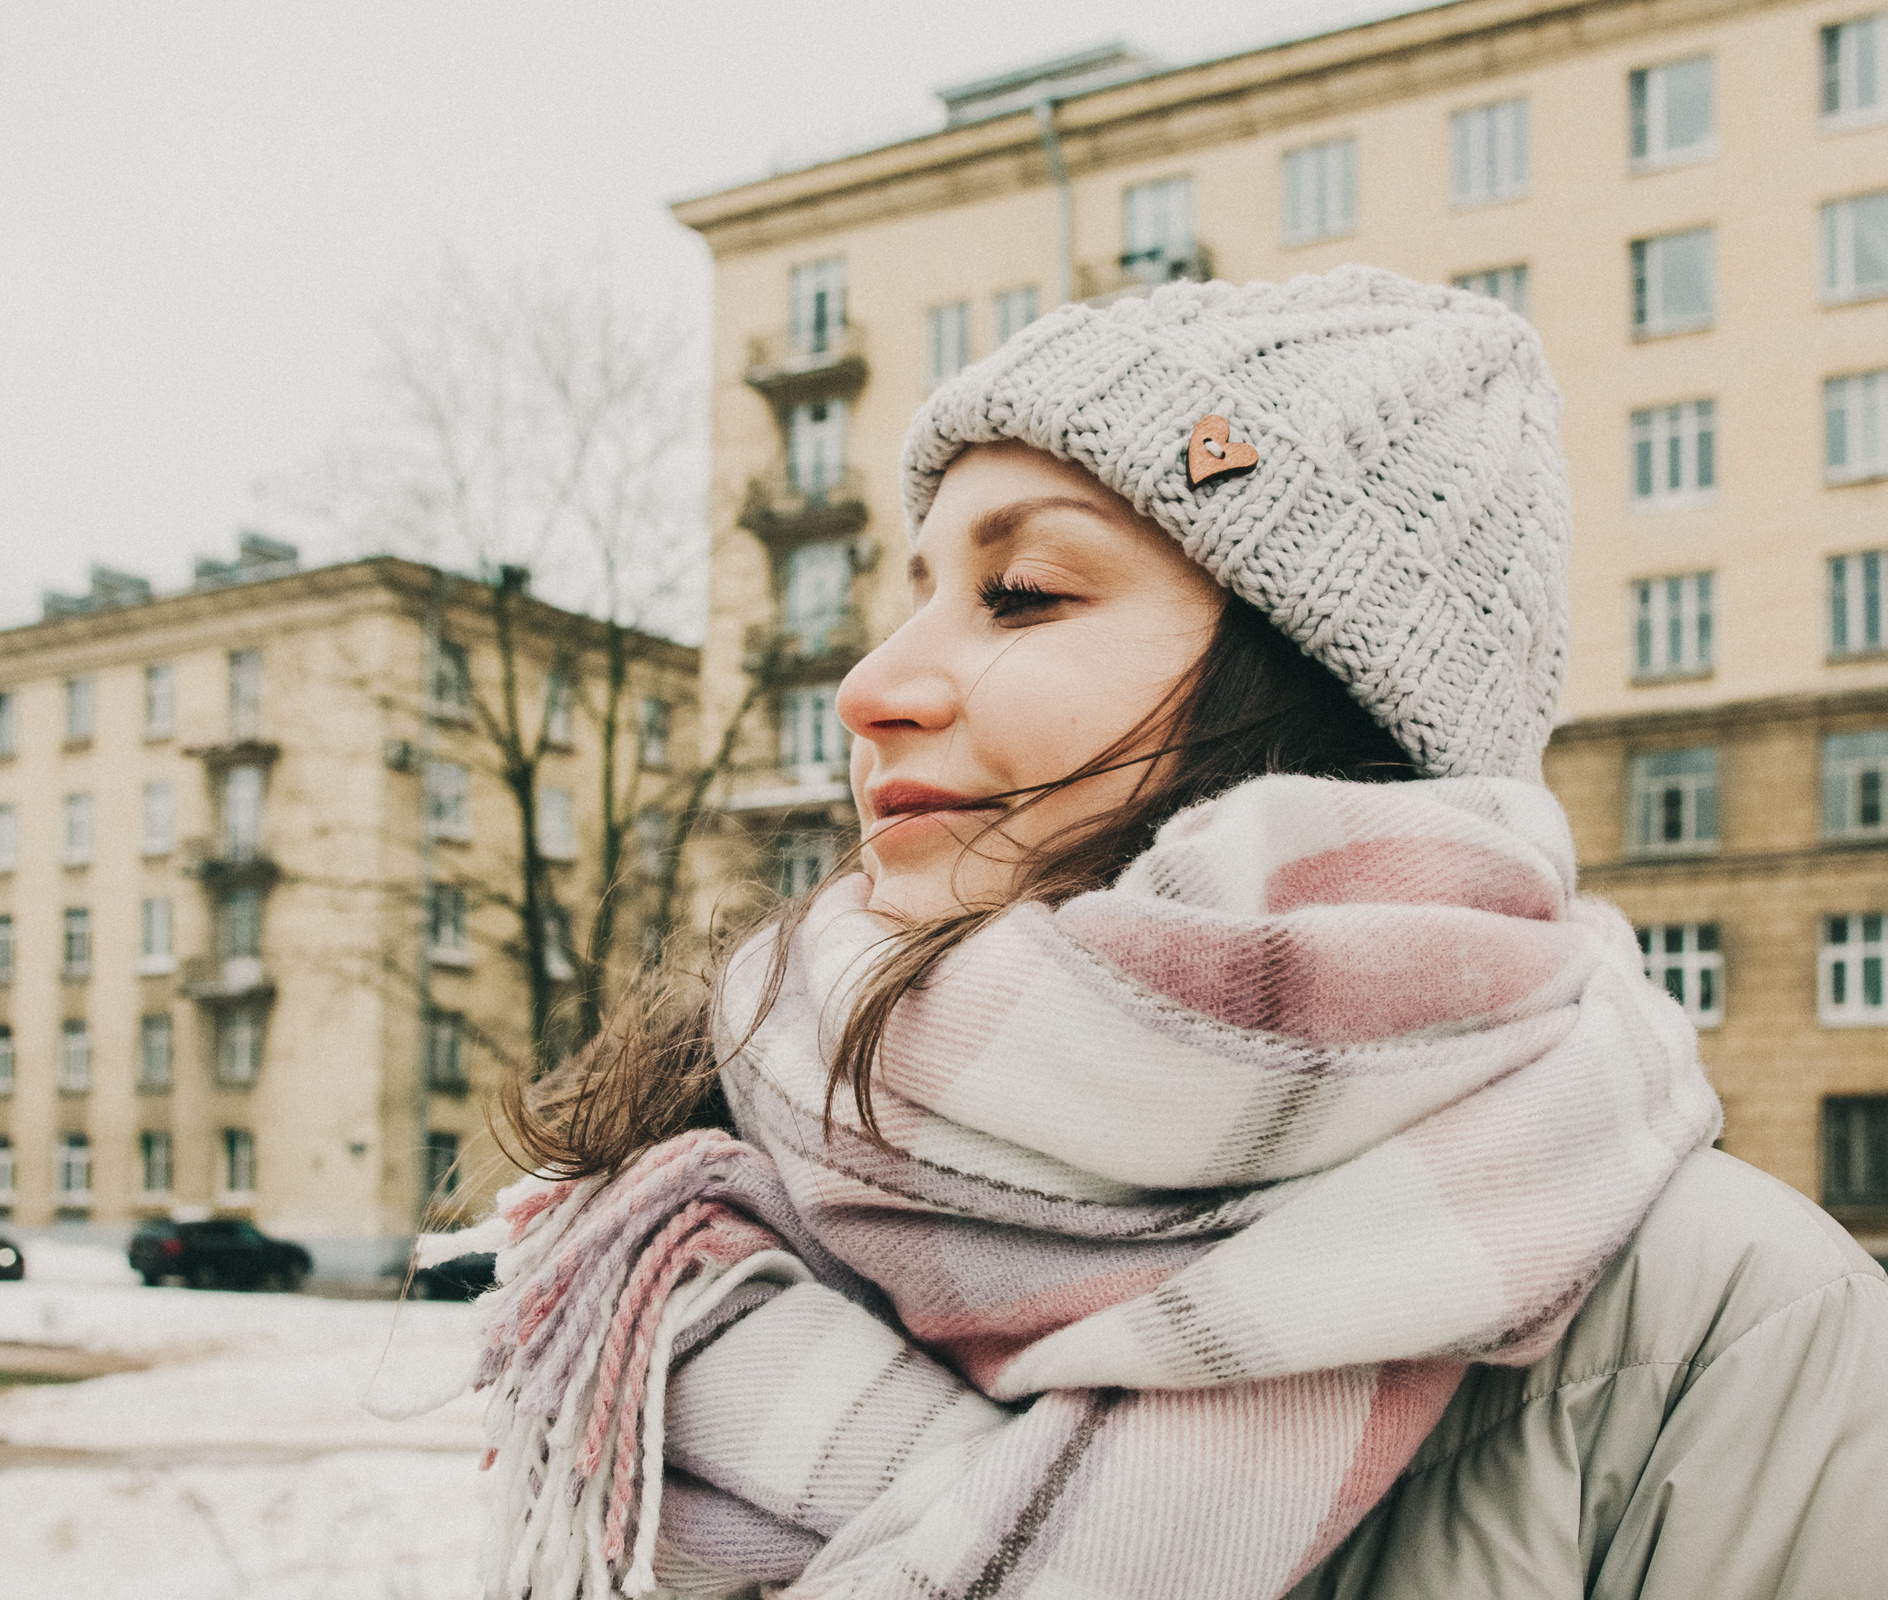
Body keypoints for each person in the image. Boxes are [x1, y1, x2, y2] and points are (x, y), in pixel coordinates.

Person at [468, 266, 1888, 1600]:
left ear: (1313, 686)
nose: (869, 686)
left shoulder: (1722, 1317)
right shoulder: (705, 1224)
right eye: (915, 597)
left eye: (1023, 594)